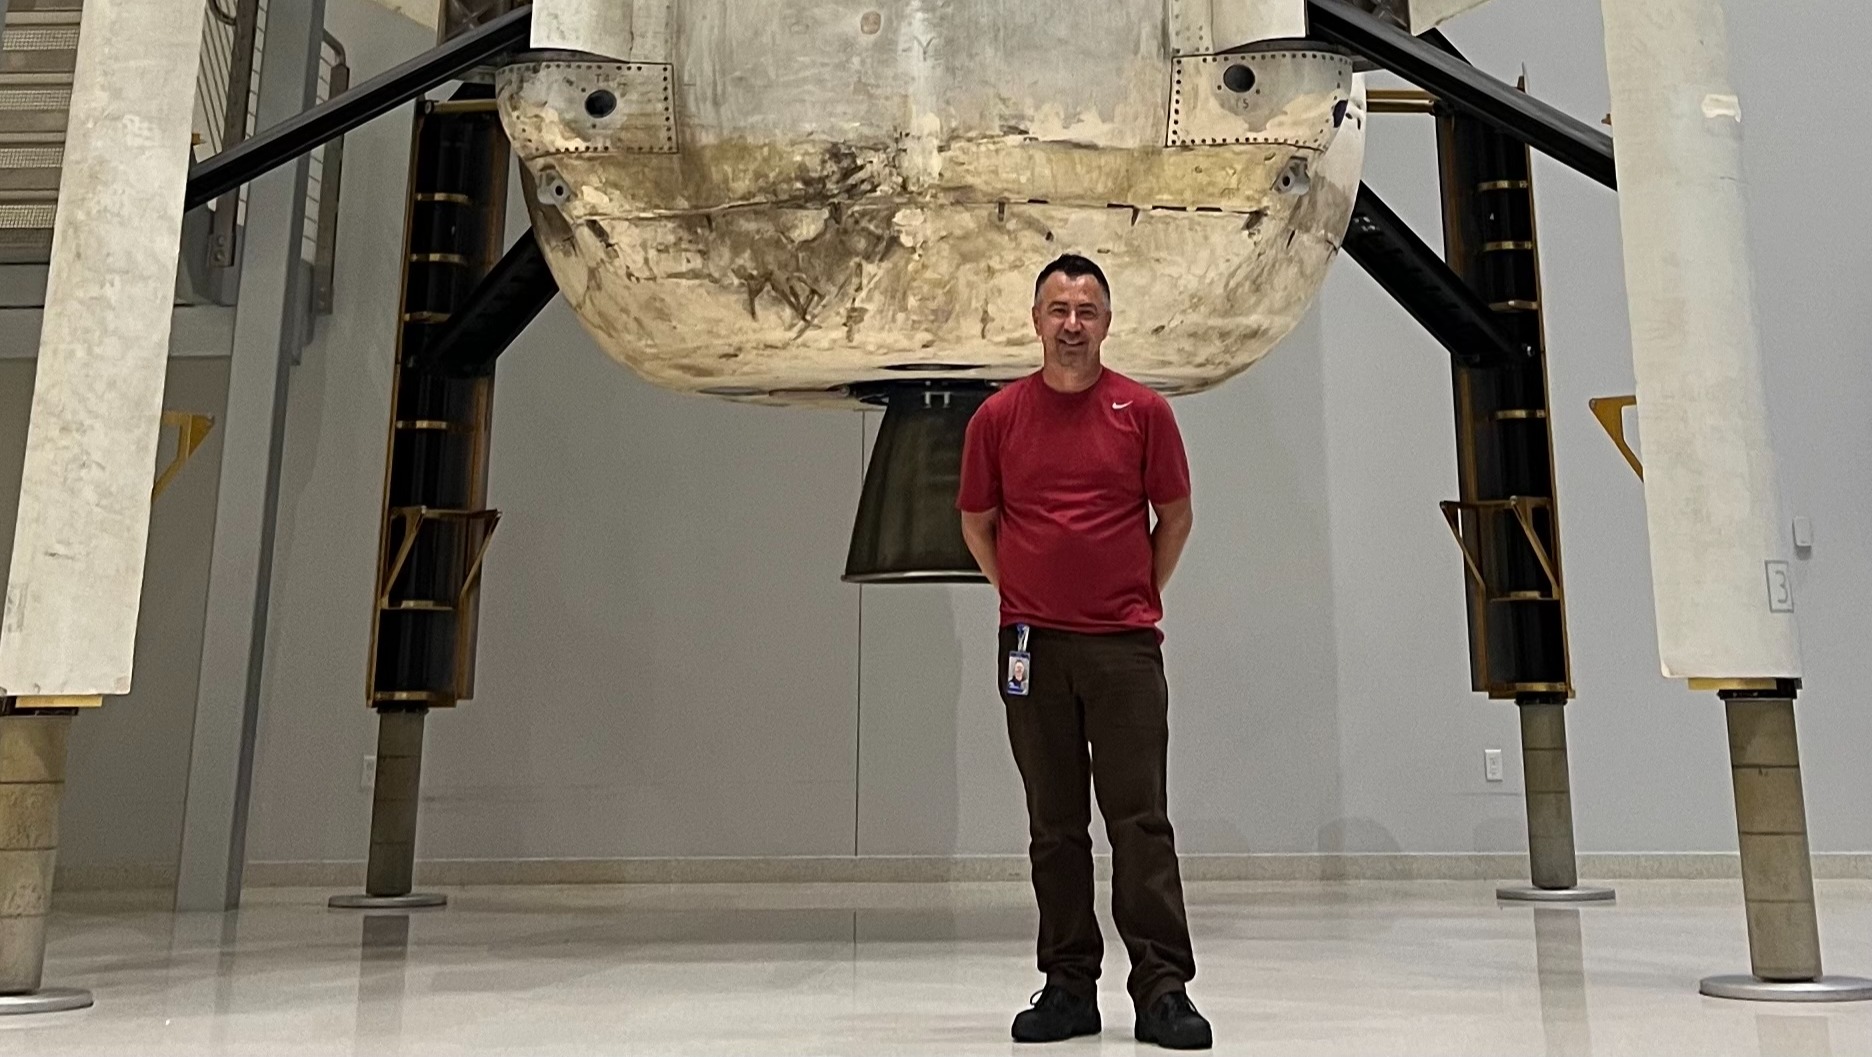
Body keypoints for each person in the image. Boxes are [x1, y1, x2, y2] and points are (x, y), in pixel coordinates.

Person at [956, 255, 1208, 1050]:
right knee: (1054, 825)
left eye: (1086, 310)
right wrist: (1023, 593)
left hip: (1124, 648)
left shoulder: (1144, 412)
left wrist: (1134, 593)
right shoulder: (997, 418)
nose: (1072, 324)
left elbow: (1175, 515)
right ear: (1036, 320)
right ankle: (1069, 986)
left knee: (1140, 821)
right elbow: (977, 522)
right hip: (1032, 648)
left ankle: (1162, 989)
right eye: (1059, 309)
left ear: (1106, 322)